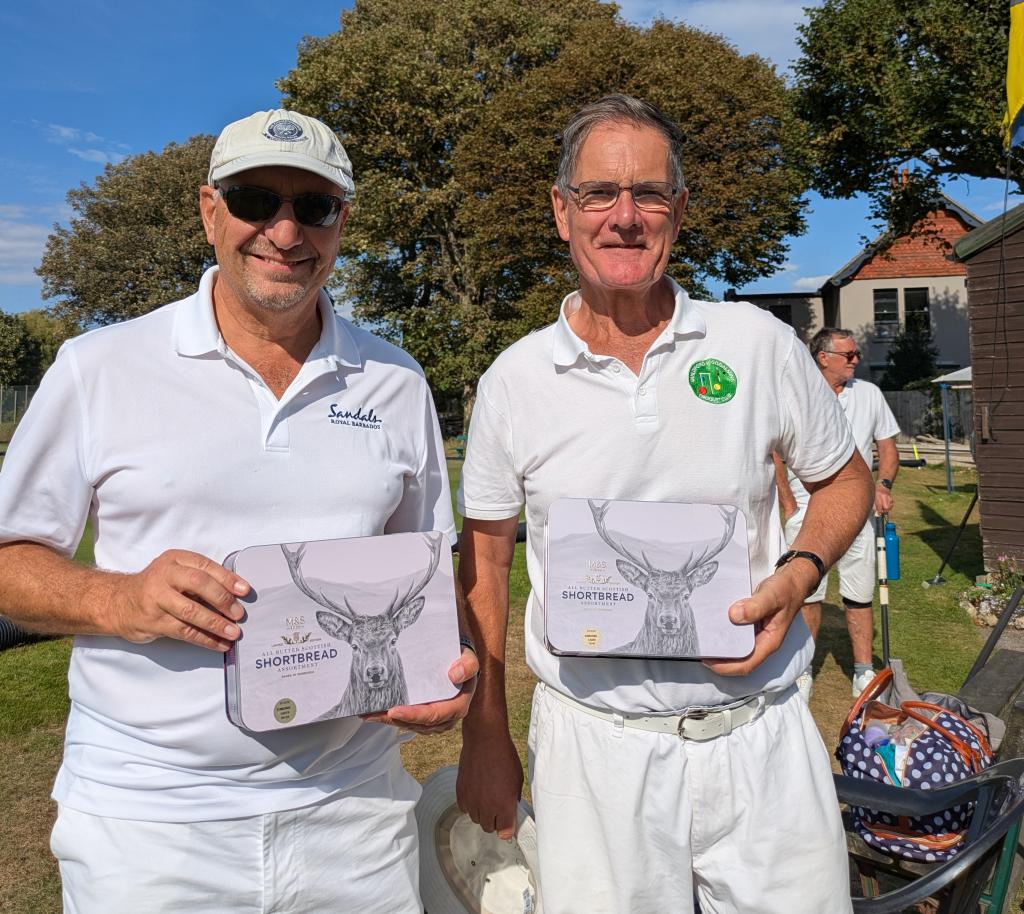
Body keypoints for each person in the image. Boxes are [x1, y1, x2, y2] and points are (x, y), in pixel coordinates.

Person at [0, 109, 477, 914]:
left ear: (342, 222)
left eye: (314, 206)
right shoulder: (99, 367)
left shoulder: (395, 381)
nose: (284, 230)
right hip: (151, 819)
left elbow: (428, 573)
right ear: (210, 211)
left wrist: (442, 678)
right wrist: (115, 599)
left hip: (354, 810)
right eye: (256, 199)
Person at [454, 95, 874, 914]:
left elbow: (846, 480)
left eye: (648, 194)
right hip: (593, 753)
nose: (624, 217)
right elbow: (488, 563)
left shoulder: (754, 342)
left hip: (761, 739)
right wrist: (485, 735)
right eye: (598, 195)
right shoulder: (515, 379)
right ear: (561, 211)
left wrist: (798, 571)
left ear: (677, 211)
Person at [775, 328, 901, 700]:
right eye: (849, 355)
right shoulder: (796, 393)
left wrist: (883, 485)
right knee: (806, 592)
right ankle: (803, 668)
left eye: (856, 353)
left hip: (857, 513)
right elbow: (775, 455)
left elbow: (887, 449)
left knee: (860, 594)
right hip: (805, 511)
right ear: (822, 358)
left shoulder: (870, 395)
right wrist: (788, 504)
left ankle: (863, 671)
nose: (856, 360)